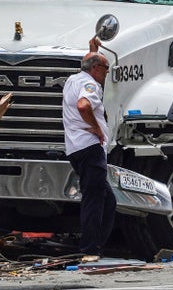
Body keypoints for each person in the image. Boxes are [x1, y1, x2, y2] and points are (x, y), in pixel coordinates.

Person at [62, 37, 116, 256]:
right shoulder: (91, 84)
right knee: (94, 201)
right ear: (96, 69)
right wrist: (97, 128)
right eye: (106, 68)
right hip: (91, 148)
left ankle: (97, 245)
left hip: (75, 148)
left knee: (107, 200)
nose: (107, 73)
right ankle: (90, 250)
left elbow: (86, 67)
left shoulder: (72, 80)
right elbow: (84, 105)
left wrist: (93, 50)